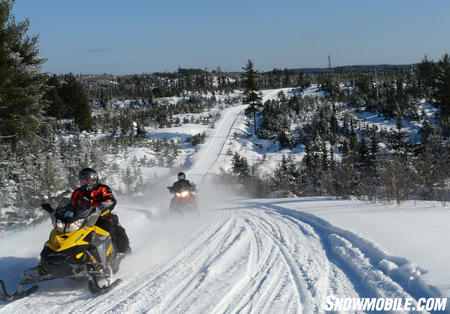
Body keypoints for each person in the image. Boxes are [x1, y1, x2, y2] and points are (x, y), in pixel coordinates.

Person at [70, 168, 130, 254]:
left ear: (93, 180)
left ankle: (114, 253)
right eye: (82, 181)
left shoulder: (102, 188)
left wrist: (102, 208)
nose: (84, 183)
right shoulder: (77, 192)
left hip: (101, 217)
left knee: (109, 228)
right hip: (82, 219)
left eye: (86, 181)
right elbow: (71, 205)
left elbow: (110, 200)